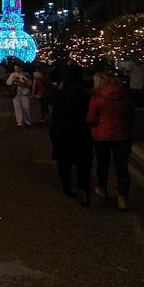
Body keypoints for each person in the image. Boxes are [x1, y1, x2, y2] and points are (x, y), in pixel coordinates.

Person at [88, 71, 134, 211]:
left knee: (103, 164)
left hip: (102, 136)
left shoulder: (97, 98)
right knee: (122, 167)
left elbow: (91, 118)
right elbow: (130, 114)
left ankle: (102, 188)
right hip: (122, 136)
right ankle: (122, 197)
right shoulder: (124, 96)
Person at [47, 66, 93, 206]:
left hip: (62, 132)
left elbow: (49, 99)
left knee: (64, 161)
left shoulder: (59, 94)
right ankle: (83, 189)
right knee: (82, 163)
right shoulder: (85, 95)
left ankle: (67, 186)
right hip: (80, 132)